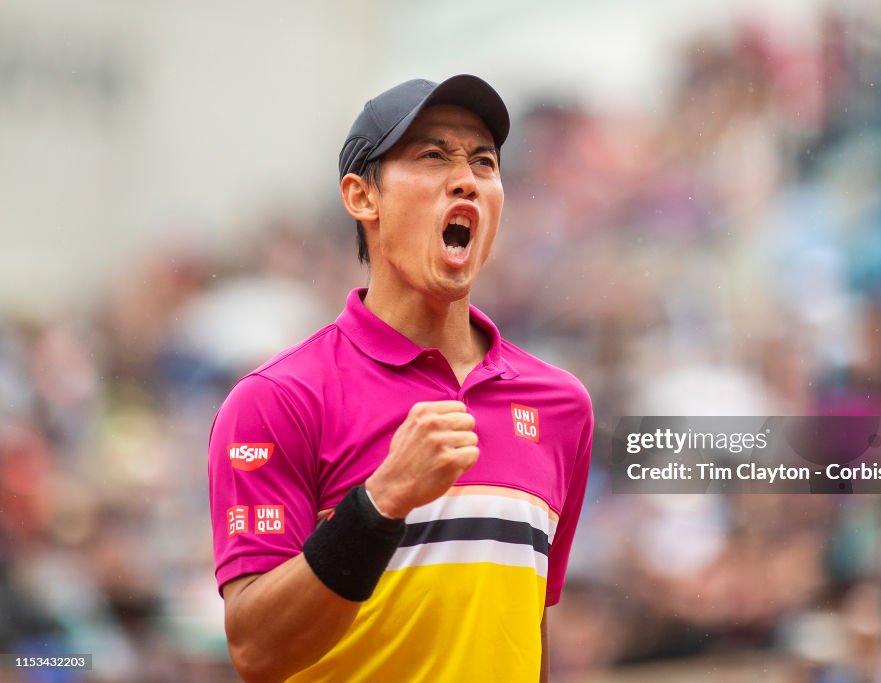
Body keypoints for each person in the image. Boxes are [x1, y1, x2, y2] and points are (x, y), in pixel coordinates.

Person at [207, 74, 594, 682]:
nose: (466, 177)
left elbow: (522, 631)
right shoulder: (277, 400)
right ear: (363, 197)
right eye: (432, 156)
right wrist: (381, 502)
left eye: (484, 162)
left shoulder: (560, 404)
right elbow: (257, 650)